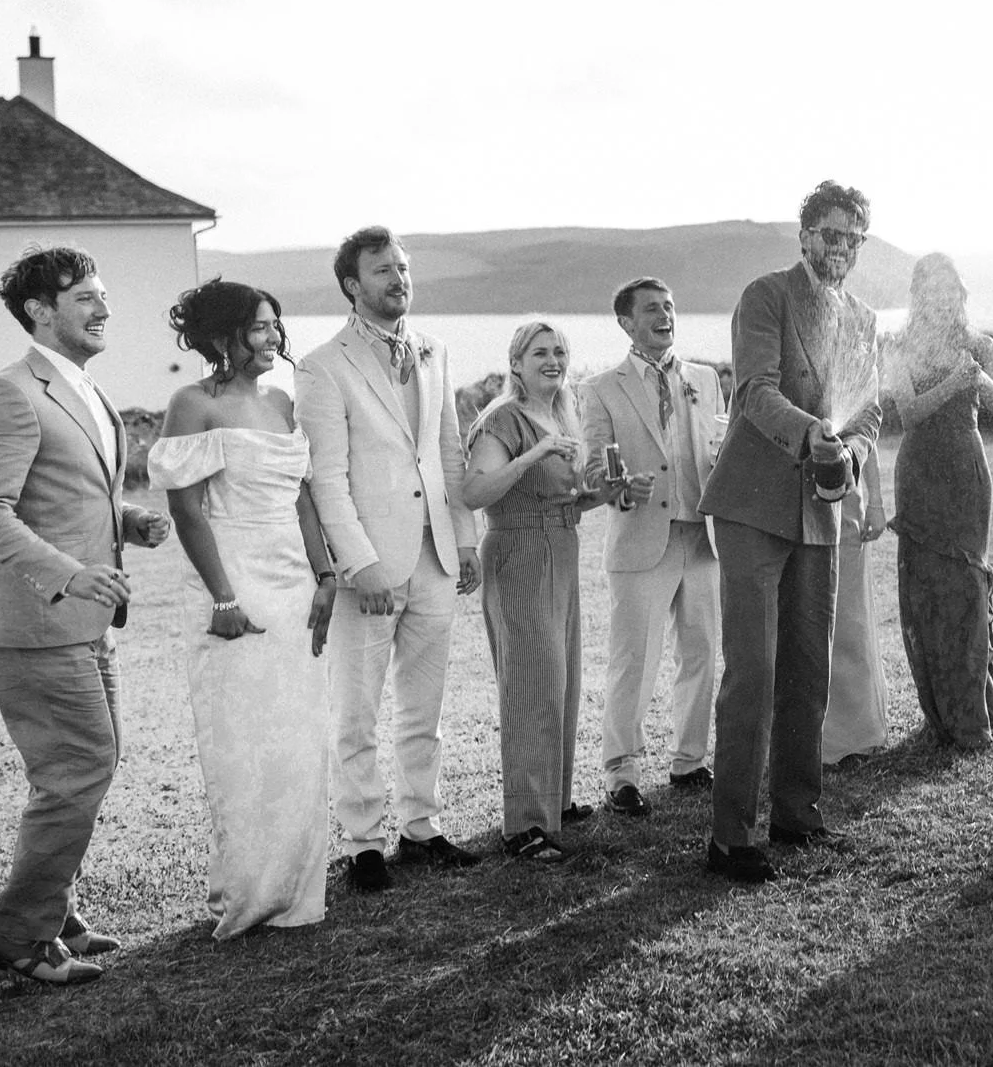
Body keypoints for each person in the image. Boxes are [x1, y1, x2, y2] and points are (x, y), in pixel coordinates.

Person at [0, 245, 172, 985]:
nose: (104, 307)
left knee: (86, 764)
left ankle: (55, 912)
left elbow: (71, 492)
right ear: (40, 311)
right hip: (30, 621)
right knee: (78, 767)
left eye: (103, 293)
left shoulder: (85, 388)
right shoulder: (7, 391)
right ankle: (20, 938)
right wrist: (74, 573)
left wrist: (130, 517)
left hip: (81, 621)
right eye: (85, 296)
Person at [699, 180, 881, 882]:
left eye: (853, 238)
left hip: (821, 510)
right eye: (829, 234)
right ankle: (731, 837)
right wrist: (815, 437)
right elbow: (754, 392)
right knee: (754, 670)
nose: (840, 248)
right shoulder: (765, 296)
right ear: (803, 235)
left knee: (810, 666)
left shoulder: (864, 318)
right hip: (751, 503)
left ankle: (797, 815)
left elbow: (867, 415)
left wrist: (851, 455)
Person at [294, 226, 481, 892]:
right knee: (356, 710)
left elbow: (449, 452)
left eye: (402, 268)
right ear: (352, 284)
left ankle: (422, 827)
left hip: (434, 555)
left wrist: (464, 536)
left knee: (423, 707)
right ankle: (364, 841)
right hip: (369, 566)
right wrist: (359, 563)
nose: (398, 279)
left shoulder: (435, 349)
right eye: (382, 270)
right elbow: (326, 477)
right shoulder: (322, 364)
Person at [148, 279, 337, 936]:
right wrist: (222, 596)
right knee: (244, 742)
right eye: (259, 328)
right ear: (223, 337)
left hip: (294, 581)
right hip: (236, 581)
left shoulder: (284, 402)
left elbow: (305, 498)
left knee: (302, 740)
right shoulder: (192, 403)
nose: (272, 339)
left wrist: (325, 574)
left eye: (275, 327)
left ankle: (297, 890)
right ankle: (249, 892)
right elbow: (186, 507)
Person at [580, 279, 726, 819]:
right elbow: (594, 464)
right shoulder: (600, 388)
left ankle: (689, 760)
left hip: (702, 538)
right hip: (641, 540)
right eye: (651, 310)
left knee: (702, 652)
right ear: (626, 322)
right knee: (634, 661)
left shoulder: (706, 379)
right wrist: (619, 487)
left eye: (669, 307)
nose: (664, 316)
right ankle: (622, 772)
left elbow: (719, 447)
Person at [461, 321, 594, 863]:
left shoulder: (562, 411)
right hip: (518, 554)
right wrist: (531, 456)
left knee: (562, 681)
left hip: (561, 549)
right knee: (530, 685)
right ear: (515, 363)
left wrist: (606, 493)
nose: (553, 360)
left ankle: (555, 804)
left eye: (560, 350)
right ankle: (524, 827)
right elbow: (474, 492)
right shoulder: (503, 419)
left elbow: (564, 500)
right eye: (540, 352)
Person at [887, 252, 993, 750]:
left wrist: (974, 377)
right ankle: (940, 711)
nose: (941, 299)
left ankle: (976, 713)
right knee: (928, 593)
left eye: (948, 289)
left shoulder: (982, 345)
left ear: (960, 293)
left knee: (967, 587)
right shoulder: (899, 346)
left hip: (965, 472)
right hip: (919, 473)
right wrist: (952, 384)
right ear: (918, 297)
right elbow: (909, 413)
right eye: (930, 291)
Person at [823, 441, 890, 767]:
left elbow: (867, 437)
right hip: (794, 501)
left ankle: (854, 737)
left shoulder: (857, 389)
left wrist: (875, 501)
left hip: (848, 506)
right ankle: (812, 737)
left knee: (850, 619)